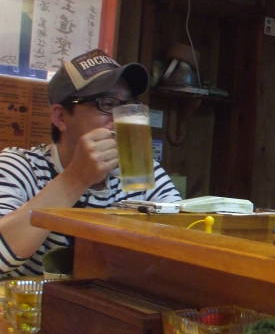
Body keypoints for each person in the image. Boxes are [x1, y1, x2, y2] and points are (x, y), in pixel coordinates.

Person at [0, 49, 181, 277]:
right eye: (107, 103)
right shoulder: (19, 167)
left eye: (127, 104)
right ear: (60, 117)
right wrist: (75, 179)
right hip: (32, 309)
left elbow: (184, 243)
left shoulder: (143, 172)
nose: (120, 118)